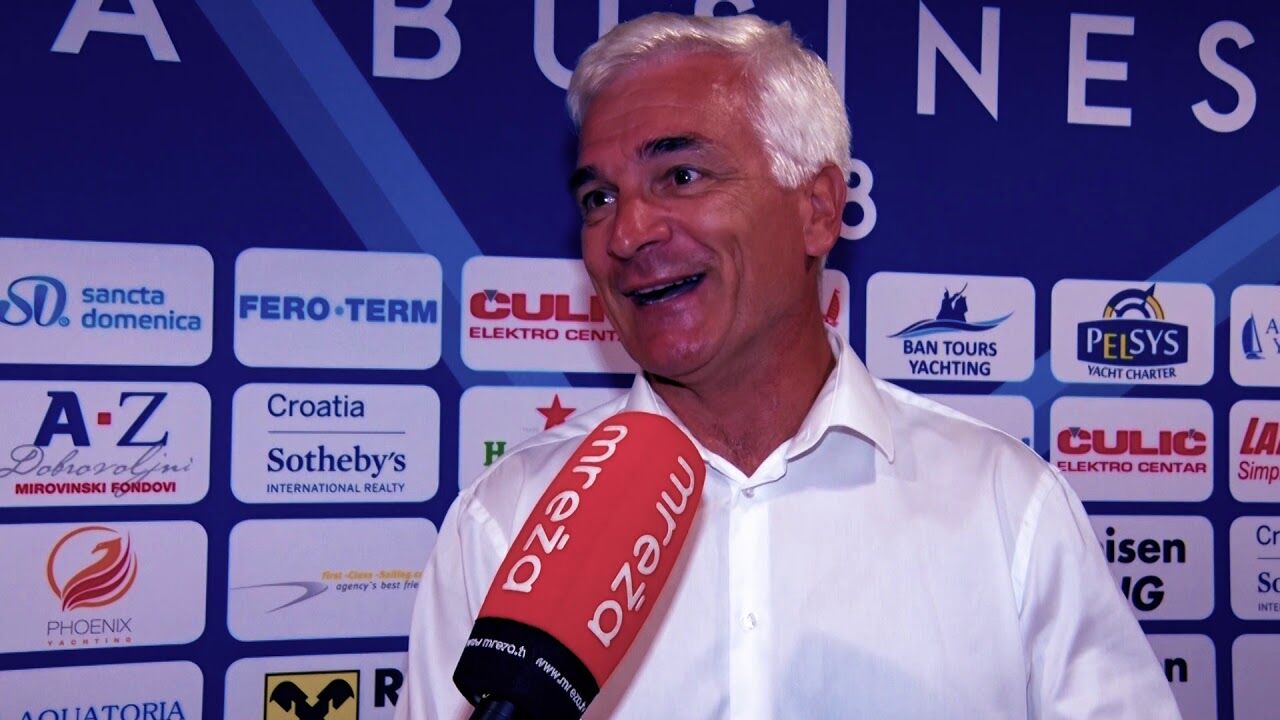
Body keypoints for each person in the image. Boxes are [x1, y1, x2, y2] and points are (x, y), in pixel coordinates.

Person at [396, 12, 1180, 719]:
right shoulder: (507, 520)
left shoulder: (1007, 504)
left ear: (819, 209)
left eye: (681, 176)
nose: (627, 233)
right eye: (598, 198)